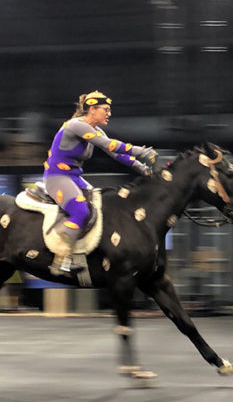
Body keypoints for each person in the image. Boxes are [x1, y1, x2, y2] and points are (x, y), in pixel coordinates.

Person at [43, 90, 157, 274]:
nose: (109, 114)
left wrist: (142, 169)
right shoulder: (76, 126)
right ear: (92, 109)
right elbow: (110, 145)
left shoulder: (95, 130)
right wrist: (140, 151)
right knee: (80, 210)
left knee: (99, 207)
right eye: (105, 109)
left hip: (74, 178)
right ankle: (61, 261)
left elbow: (117, 154)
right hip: (57, 178)